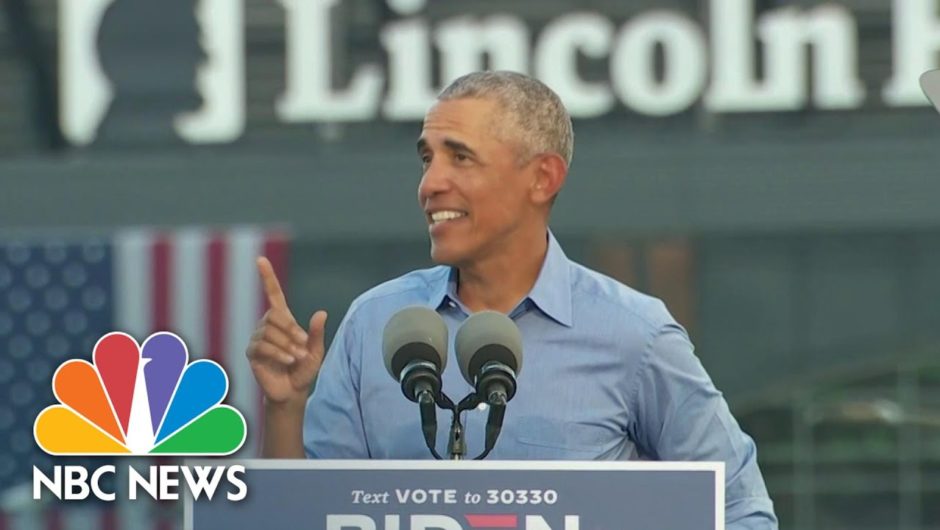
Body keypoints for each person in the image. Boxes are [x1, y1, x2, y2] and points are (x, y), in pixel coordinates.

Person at [246, 71, 778, 528]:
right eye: (427, 159)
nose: (430, 184)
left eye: (460, 157)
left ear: (542, 177)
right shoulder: (375, 324)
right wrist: (285, 408)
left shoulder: (636, 335)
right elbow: (301, 518)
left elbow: (739, 510)